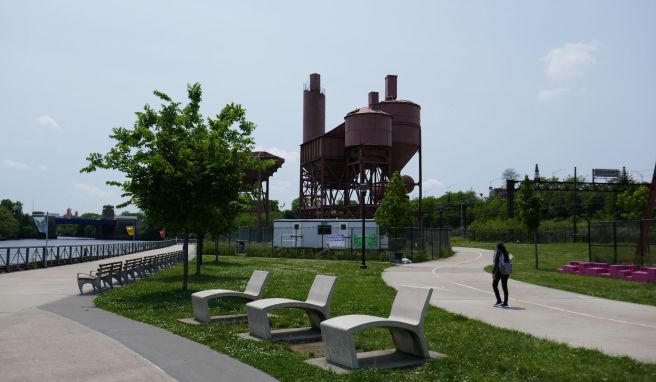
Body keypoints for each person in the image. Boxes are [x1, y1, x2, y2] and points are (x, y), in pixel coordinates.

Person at [492, 242, 510, 307]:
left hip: (499, 272)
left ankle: (499, 300)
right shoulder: (506, 252)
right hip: (506, 272)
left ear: (497, 247)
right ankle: (505, 302)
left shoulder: (498, 252)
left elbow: (496, 264)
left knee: (494, 285)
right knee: (504, 287)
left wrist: (493, 273)